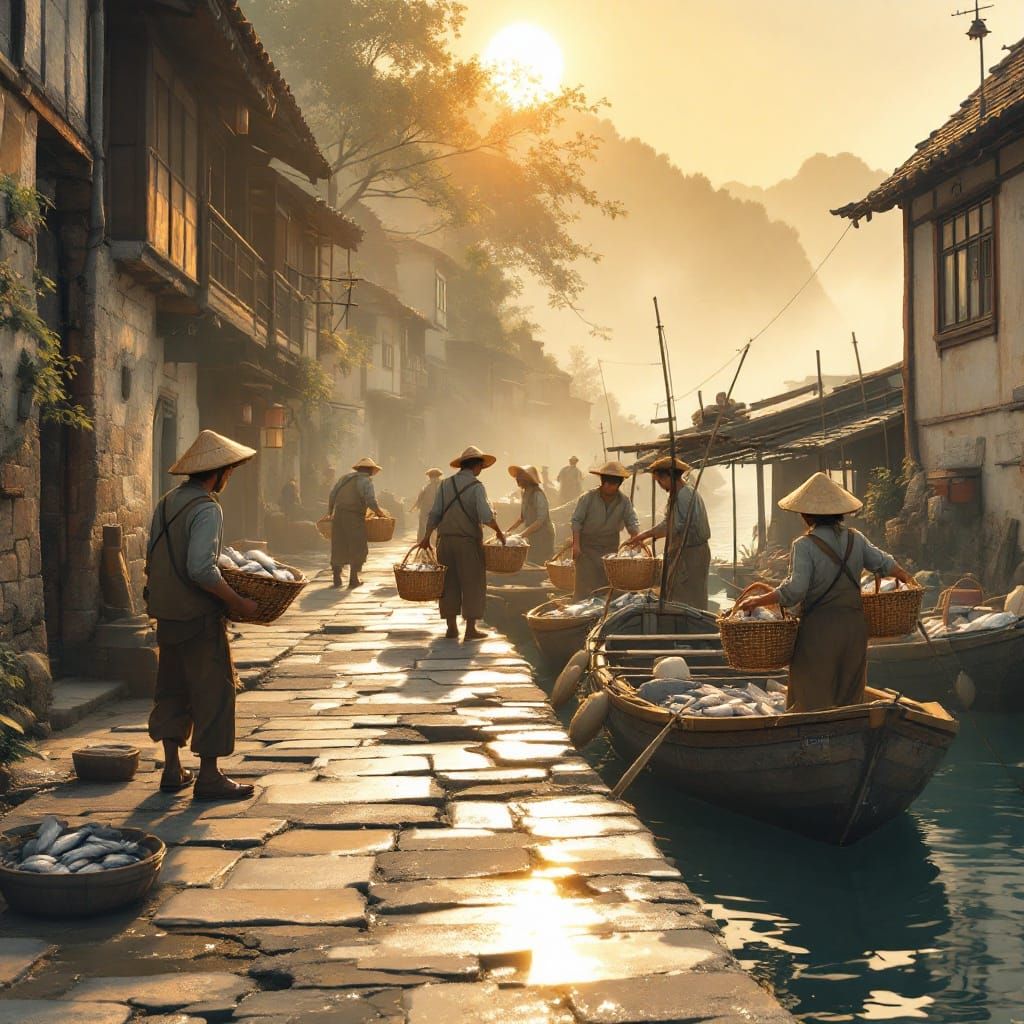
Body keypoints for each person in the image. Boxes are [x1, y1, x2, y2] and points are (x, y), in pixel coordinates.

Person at [145, 429, 260, 803]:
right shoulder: (207, 508)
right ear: (220, 473)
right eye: (230, 472)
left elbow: (155, 555)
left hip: (166, 613)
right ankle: (209, 777)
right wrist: (238, 602)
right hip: (197, 616)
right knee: (214, 691)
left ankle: (172, 768)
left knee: (172, 687)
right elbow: (202, 569)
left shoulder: (166, 502)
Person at [737, 472, 912, 712]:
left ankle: (815, 743)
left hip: (820, 632)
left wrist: (760, 600)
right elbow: (887, 565)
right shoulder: (856, 539)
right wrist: (908, 581)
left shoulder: (804, 545)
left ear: (806, 515)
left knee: (812, 697)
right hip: (854, 629)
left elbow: (795, 590)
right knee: (850, 694)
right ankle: (848, 738)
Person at [419, 444, 505, 642]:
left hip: (445, 542)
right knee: (472, 583)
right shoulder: (477, 487)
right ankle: (470, 630)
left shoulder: (445, 484)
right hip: (467, 543)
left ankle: (451, 628)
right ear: (476, 467)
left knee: (448, 583)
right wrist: (499, 531)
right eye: (481, 467)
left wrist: (426, 537)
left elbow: (435, 513)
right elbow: (485, 515)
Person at [629, 456, 711, 609]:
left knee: (687, 596)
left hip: (690, 553)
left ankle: (690, 628)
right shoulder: (680, 494)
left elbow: (673, 527)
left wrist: (647, 535)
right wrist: (645, 535)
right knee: (680, 593)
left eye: (659, 481)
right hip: (688, 552)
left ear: (667, 476)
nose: (659, 485)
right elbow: (669, 523)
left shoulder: (684, 495)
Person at [570, 460, 641, 599]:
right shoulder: (588, 498)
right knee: (585, 584)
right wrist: (576, 545)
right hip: (587, 546)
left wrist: (636, 538)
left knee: (607, 583)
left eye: (613, 483)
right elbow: (576, 521)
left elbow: (632, 522)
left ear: (618, 485)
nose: (608, 486)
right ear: (602, 482)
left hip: (610, 546)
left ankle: (604, 612)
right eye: (606, 482)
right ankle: (580, 612)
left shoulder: (624, 501)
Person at [328, 457, 386, 589]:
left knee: (338, 544)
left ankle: (336, 577)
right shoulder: (366, 482)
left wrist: (330, 511)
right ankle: (353, 579)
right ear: (370, 470)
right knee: (357, 545)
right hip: (354, 517)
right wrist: (379, 512)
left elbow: (332, 495)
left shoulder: (344, 478)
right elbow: (370, 500)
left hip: (338, 515)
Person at [507, 464, 555, 564]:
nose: (517, 479)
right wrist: (507, 532)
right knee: (531, 560)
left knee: (540, 562)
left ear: (527, 479)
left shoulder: (538, 494)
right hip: (532, 535)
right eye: (517, 477)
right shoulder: (525, 493)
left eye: (520, 476)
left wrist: (520, 536)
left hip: (543, 535)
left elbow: (540, 521)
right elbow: (522, 518)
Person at [411, 468, 443, 539]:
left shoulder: (427, 487)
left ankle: (424, 542)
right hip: (435, 512)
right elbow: (419, 500)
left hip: (430, 512)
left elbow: (419, 500)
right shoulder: (442, 486)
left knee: (424, 528)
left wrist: (414, 508)